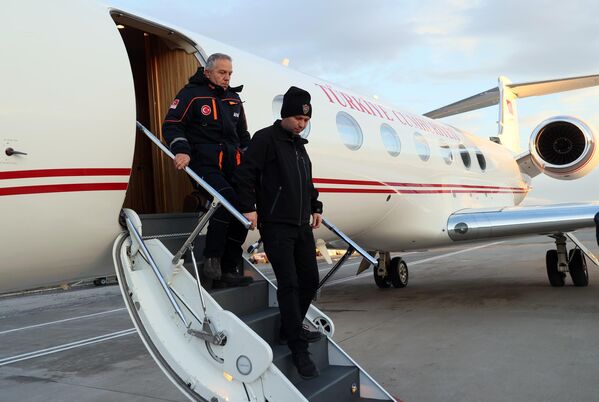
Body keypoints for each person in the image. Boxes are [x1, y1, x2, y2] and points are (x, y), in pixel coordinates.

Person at [234, 86, 323, 379]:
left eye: (306, 120)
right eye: (298, 117)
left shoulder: (299, 146)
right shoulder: (265, 139)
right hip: (275, 225)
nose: (301, 123)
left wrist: (315, 205)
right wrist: (249, 207)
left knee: (310, 279)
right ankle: (298, 349)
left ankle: (289, 328)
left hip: (300, 225)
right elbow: (245, 174)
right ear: (285, 114)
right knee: (289, 284)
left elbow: (307, 181)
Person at [162, 53, 252, 287]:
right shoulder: (191, 95)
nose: (227, 77)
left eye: (230, 73)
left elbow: (243, 136)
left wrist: (251, 162)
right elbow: (172, 124)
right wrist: (181, 150)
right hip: (204, 162)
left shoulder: (234, 99)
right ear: (207, 72)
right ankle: (213, 259)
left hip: (233, 163)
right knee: (225, 200)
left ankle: (230, 266)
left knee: (243, 207)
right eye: (222, 72)